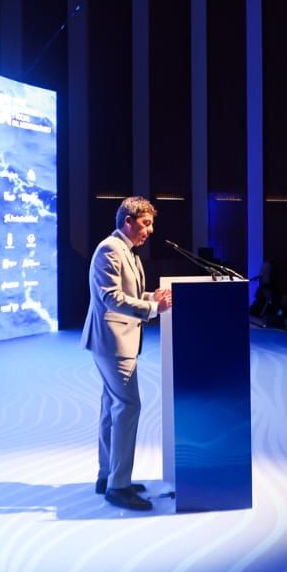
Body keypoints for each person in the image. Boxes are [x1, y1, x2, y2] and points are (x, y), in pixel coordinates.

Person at [82, 196, 172, 511]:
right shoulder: (110, 249)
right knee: (128, 406)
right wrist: (152, 307)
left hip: (117, 340)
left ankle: (108, 476)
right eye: (146, 223)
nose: (150, 230)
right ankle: (118, 487)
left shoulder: (127, 252)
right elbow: (111, 298)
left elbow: (129, 295)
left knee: (113, 408)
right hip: (113, 341)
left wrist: (152, 297)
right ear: (128, 221)